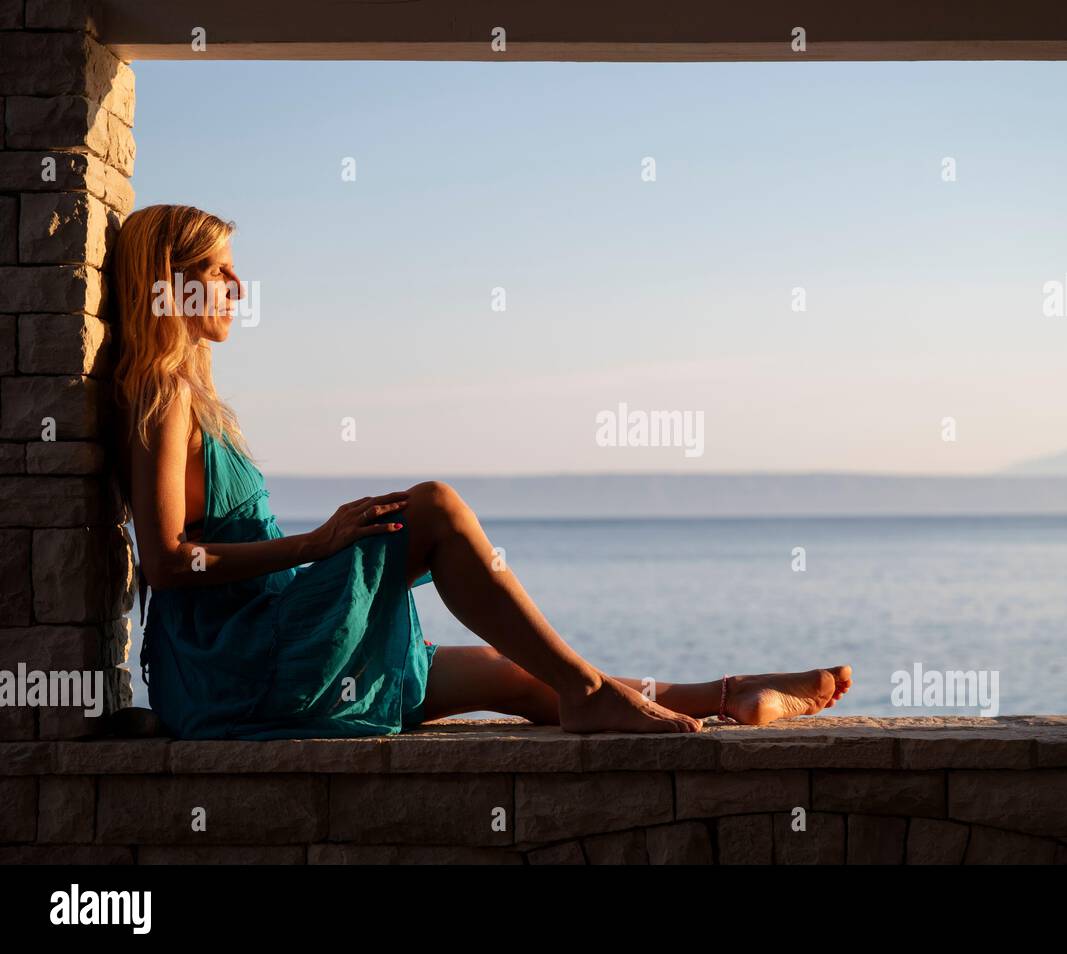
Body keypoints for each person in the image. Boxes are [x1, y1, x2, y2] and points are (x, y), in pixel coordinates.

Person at [110, 203, 852, 740]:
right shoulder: (164, 395)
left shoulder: (197, 401)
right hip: (239, 665)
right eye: (217, 270)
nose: (238, 286)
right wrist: (320, 542)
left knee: (512, 673)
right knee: (429, 508)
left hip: (266, 647)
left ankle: (731, 696)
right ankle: (600, 693)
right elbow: (168, 563)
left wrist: (323, 549)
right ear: (165, 283)